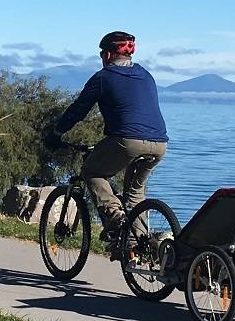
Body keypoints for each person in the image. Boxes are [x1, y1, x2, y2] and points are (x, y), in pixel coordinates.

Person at [45, 31, 169, 244]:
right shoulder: (146, 75)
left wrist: (56, 133)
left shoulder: (103, 77)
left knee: (91, 172)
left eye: (102, 53)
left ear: (109, 55)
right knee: (135, 196)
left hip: (127, 141)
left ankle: (116, 217)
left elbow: (78, 110)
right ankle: (137, 244)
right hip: (160, 144)